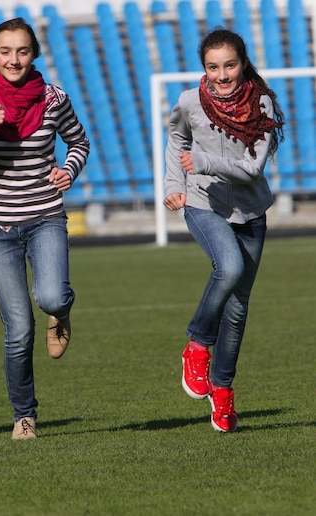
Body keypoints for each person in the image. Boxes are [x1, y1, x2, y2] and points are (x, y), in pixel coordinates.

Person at [0, 18, 90, 440]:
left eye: (23, 51)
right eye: (5, 51)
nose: (14, 59)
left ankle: (61, 310)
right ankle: (24, 414)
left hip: (46, 214)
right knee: (19, 329)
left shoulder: (54, 97)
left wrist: (69, 171)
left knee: (49, 295)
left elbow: (79, 142)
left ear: (34, 55)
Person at [164, 29, 284, 432]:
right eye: (213, 67)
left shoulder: (262, 103)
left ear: (243, 63)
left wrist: (203, 160)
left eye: (229, 65)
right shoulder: (188, 101)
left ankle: (223, 390)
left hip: (251, 212)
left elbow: (252, 169)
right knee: (228, 269)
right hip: (204, 205)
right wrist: (173, 186)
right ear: (204, 68)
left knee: (237, 309)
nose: (221, 75)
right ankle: (196, 345)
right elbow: (176, 138)